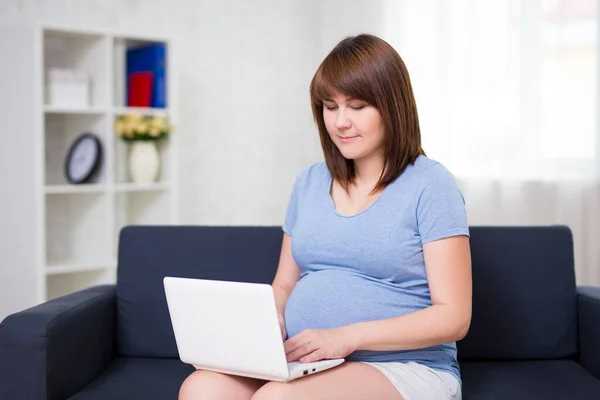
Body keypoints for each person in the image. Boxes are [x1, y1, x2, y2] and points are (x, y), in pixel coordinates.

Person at [179, 33, 472, 400]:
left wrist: (345, 337)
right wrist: (263, 329)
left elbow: (454, 316)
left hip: (404, 367)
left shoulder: (431, 184)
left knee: (277, 399)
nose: (340, 122)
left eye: (357, 106)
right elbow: (284, 285)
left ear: (393, 106)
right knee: (202, 388)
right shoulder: (309, 182)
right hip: (308, 361)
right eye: (330, 107)